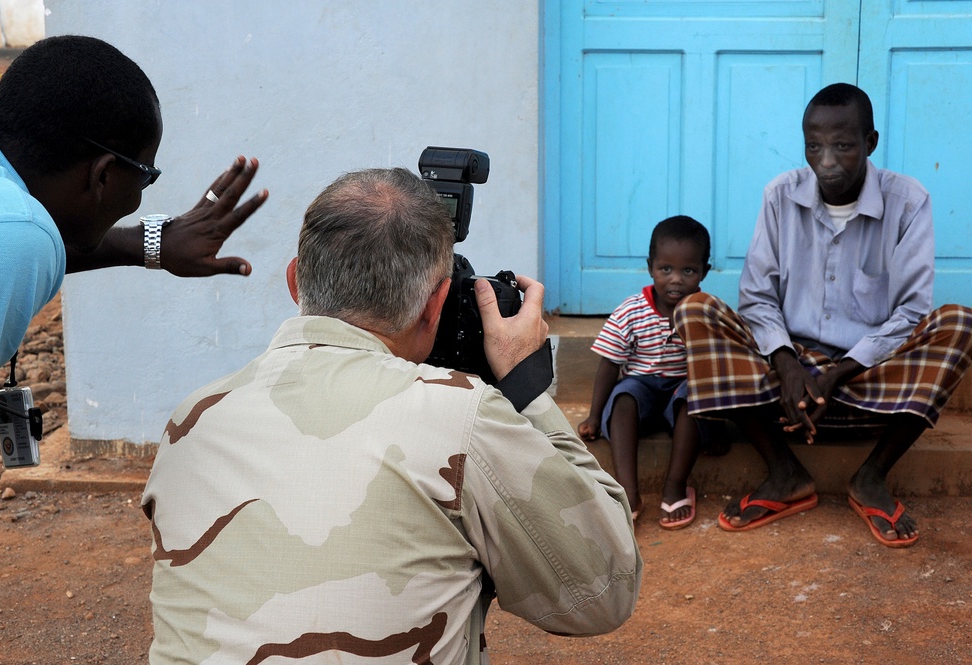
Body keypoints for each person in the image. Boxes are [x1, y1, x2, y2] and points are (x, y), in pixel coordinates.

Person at [141, 167, 641, 664]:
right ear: (436, 305)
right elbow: (605, 593)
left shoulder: (194, 417)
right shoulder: (459, 415)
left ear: (295, 281)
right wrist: (526, 388)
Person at [674, 83, 972, 547]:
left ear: (870, 143)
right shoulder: (780, 195)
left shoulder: (909, 202)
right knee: (696, 309)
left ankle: (871, 476)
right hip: (784, 389)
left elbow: (912, 312)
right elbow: (756, 296)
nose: (827, 161)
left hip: (864, 386)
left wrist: (837, 373)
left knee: (958, 323)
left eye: (843, 146)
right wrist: (787, 363)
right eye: (814, 146)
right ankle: (783, 471)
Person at [0, 35, 267, 433]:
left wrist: (148, 244)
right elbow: (10, 237)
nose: (142, 193)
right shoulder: (16, 235)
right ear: (103, 174)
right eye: (147, 174)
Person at [578, 215, 723, 530]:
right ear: (650, 267)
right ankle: (628, 493)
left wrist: (718, 423)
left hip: (683, 391)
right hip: (642, 389)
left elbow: (719, 368)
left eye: (688, 271)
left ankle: (674, 486)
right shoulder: (632, 310)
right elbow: (609, 364)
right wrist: (593, 415)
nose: (675, 280)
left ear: (704, 272)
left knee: (692, 397)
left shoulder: (706, 311)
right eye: (665, 269)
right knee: (624, 396)